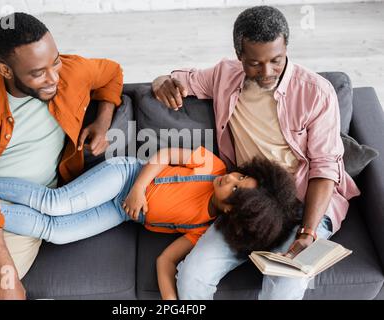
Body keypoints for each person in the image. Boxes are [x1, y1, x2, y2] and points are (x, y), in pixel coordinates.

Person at [151, 6, 360, 299]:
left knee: (284, 287)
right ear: (239, 56)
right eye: (254, 63)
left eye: (276, 60)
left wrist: (307, 233)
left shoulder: (317, 92)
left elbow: (325, 169)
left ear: (286, 47)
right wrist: (162, 82)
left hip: (302, 204)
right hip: (247, 202)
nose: (267, 72)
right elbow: (179, 78)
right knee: (191, 276)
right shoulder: (224, 75)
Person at [0, 147, 302, 300]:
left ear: (230, 213)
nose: (231, 181)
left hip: (121, 211)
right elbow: (161, 155)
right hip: (125, 179)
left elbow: (165, 263)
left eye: (235, 192)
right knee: (56, 204)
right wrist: (140, 188)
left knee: (56, 232)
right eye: (240, 177)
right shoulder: (211, 165)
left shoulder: (203, 228)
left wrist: (174, 304)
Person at [0, 12, 123, 300]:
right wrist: (6, 276)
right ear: (6, 70)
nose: (54, 78)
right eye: (38, 73)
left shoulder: (71, 72)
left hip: (27, 212)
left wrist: (103, 122)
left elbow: (111, 73)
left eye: (55, 62)